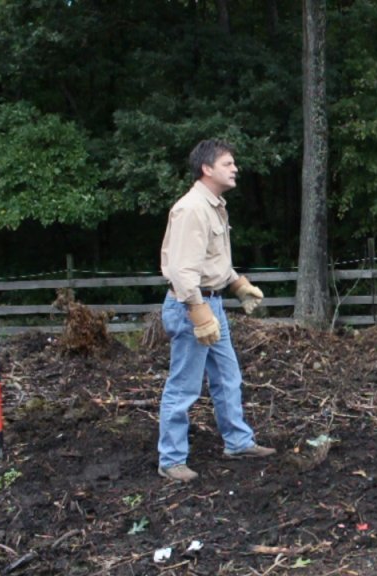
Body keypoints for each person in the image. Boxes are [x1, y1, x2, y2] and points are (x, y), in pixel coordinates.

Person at [157, 139, 276, 482]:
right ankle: (171, 459)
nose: (234, 168)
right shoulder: (191, 209)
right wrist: (197, 311)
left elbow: (212, 261)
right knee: (184, 386)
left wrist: (237, 284)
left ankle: (238, 442)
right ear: (207, 169)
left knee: (227, 377)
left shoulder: (214, 206)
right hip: (190, 305)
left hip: (212, 302)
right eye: (227, 163)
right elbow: (181, 270)